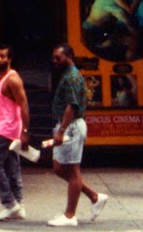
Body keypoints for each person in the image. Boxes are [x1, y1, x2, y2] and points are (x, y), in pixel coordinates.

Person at [46, 43, 108, 227]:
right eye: (53, 58)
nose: (55, 61)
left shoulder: (72, 76)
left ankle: (70, 215)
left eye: (58, 57)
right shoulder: (67, 75)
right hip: (67, 125)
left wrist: (62, 130)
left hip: (71, 127)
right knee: (58, 167)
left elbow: (72, 106)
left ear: (69, 56)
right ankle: (94, 197)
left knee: (73, 171)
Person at [0, 44, 30, 222]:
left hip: (8, 128)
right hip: (0, 126)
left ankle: (10, 204)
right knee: (11, 167)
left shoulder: (13, 79)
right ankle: (18, 205)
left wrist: (25, 131)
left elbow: (24, 105)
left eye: (3, 56)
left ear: (9, 59)